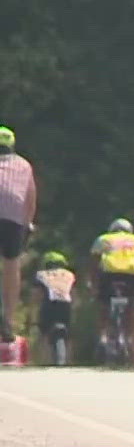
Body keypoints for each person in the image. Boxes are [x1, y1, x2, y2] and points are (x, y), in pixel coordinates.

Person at [0, 125, 36, 343]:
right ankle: (10, 321)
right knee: (12, 265)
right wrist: (28, 224)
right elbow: (30, 198)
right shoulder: (24, 165)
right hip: (14, 220)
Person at [89, 217, 134, 350]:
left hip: (109, 274)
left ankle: (103, 336)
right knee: (131, 305)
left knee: (103, 304)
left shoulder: (103, 238)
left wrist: (93, 284)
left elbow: (94, 262)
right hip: (131, 275)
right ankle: (128, 338)